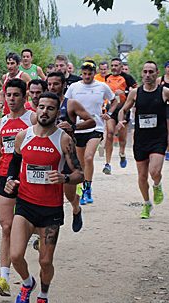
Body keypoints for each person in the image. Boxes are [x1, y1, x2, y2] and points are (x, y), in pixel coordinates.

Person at [5, 91, 84, 303]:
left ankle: (43, 297)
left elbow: (80, 174)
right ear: (36, 108)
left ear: (56, 112)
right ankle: (28, 283)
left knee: (45, 260)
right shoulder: (23, 136)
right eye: (41, 107)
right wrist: (11, 180)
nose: (45, 111)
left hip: (50, 209)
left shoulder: (63, 140)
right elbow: (15, 163)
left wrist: (65, 178)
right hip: (26, 205)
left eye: (50, 108)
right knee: (16, 255)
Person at [0, 78, 35, 297]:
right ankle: (4, 278)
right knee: (6, 228)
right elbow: (3, 148)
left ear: (24, 97)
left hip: (28, 177)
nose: (12, 99)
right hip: (5, 176)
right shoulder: (1, 123)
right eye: (8, 95)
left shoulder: (31, 119)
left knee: (30, 225)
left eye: (16, 95)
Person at [116, 61, 169, 219]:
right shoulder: (135, 93)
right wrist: (121, 120)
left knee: (154, 171)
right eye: (145, 72)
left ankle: (157, 185)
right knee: (142, 176)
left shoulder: (165, 92)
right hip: (141, 139)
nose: (148, 75)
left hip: (159, 138)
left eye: (151, 72)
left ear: (157, 73)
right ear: (142, 74)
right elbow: (123, 109)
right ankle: (146, 203)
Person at [47, 71, 94, 233]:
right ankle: (45, 229)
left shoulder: (71, 104)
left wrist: (73, 127)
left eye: (56, 84)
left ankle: (76, 208)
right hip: (47, 154)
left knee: (69, 195)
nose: (52, 87)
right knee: (47, 196)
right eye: (50, 84)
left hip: (67, 155)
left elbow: (91, 121)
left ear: (63, 85)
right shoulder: (43, 104)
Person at [65, 62, 117, 205]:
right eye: (85, 73)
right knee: (81, 163)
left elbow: (114, 101)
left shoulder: (102, 86)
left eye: (90, 73)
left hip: (96, 127)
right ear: (81, 73)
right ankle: (83, 187)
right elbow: (65, 103)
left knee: (88, 158)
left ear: (94, 73)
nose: (87, 76)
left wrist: (109, 113)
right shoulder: (74, 87)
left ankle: (87, 189)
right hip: (79, 129)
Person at [104, 57, 138, 173]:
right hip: (111, 109)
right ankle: (107, 163)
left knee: (122, 137)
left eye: (116, 65)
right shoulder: (107, 78)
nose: (114, 67)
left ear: (121, 67)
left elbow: (137, 91)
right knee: (109, 133)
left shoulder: (127, 77)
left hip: (123, 110)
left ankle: (122, 153)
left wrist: (124, 92)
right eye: (112, 65)